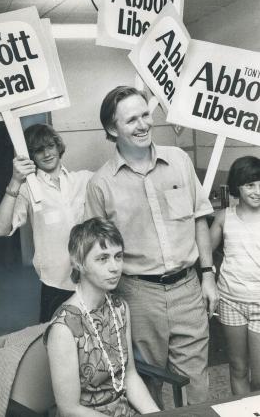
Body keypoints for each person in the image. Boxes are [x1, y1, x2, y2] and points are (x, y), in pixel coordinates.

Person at [84, 85, 219, 407]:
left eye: (146, 115)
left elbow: (200, 218)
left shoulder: (179, 160)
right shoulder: (100, 184)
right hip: (137, 294)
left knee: (196, 380)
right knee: (147, 380)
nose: (143, 124)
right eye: (132, 120)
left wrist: (208, 275)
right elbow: (95, 252)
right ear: (111, 128)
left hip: (188, 287)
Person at [44, 217, 159, 417]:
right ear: (79, 262)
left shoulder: (119, 307)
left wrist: (157, 414)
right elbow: (69, 409)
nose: (114, 267)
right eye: (102, 258)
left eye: (118, 256)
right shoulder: (64, 328)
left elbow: (129, 376)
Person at [0, 123, 92, 323]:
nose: (47, 154)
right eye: (38, 150)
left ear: (58, 147)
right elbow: (0, 229)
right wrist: (15, 181)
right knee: (56, 343)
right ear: (31, 156)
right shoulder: (28, 189)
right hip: (56, 284)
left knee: (95, 342)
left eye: (50, 146)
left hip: (91, 278)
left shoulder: (84, 179)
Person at [210, 156, 260, 395]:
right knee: (238, 368)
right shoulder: (224, 217)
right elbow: (203, 252)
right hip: (231, 301)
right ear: (237, 186)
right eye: (250, 184)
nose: (258, 190)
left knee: (259, 376)